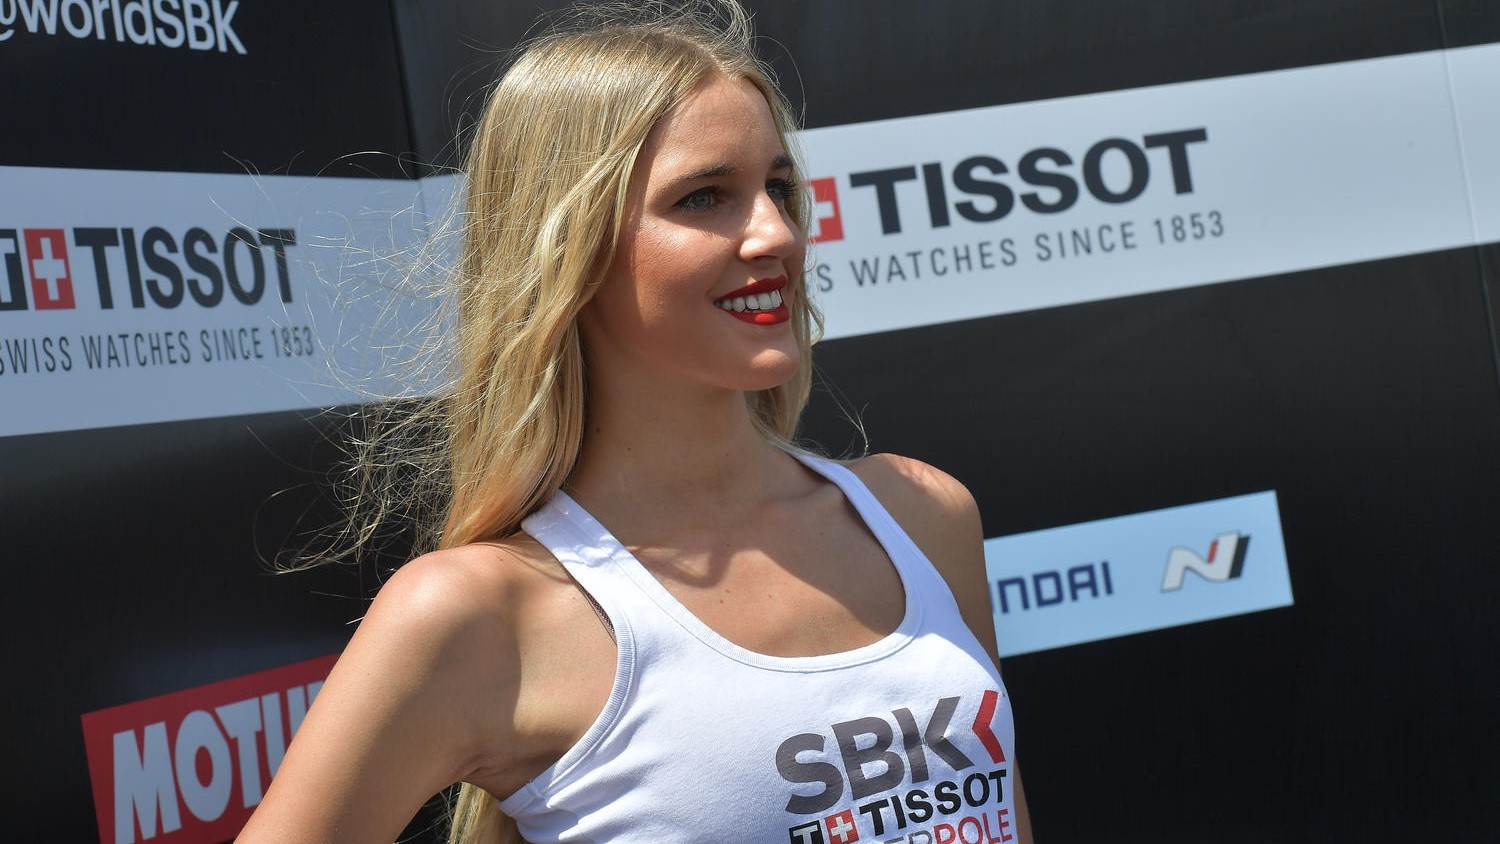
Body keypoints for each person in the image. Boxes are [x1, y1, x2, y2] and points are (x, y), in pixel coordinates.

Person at [239, 2, 1032, 842]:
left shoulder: (920, 515)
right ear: (567, 246)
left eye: (778, 188)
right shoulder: (482, 614)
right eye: (705, 197)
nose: (776, 233)